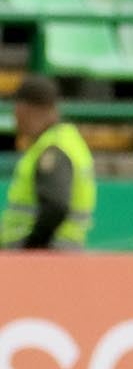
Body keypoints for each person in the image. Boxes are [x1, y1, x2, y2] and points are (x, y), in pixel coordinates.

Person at [2, 76, 95, 250]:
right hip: (63, 250)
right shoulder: (68, 141)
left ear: (28, 110)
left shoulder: (52, 149)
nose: (17, 120)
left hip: (48, 253)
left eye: (18, 113)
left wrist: (32, 247)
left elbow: (56, 206)